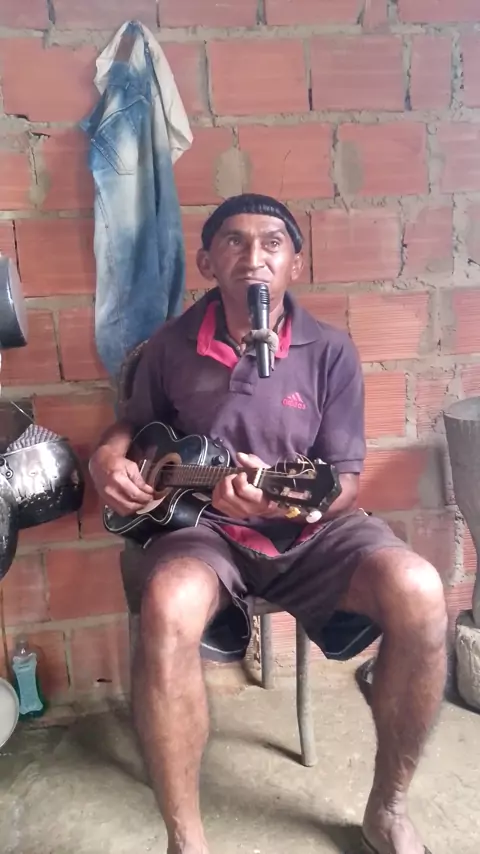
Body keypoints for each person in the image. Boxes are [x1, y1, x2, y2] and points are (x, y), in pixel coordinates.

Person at [89, 194, 447, 854]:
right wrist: (106, 458)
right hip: (201, 530)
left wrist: (286, 502)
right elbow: (134, 427)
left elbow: (341, 484)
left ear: (295, 265)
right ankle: (185, 838)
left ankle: (387, 809)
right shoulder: (168, 347)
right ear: (206, 261)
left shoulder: (331, 351)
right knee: (167, 604)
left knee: (420, 590)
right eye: (234, 241)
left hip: (309, 527)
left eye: (273, 243)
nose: (254, 256)